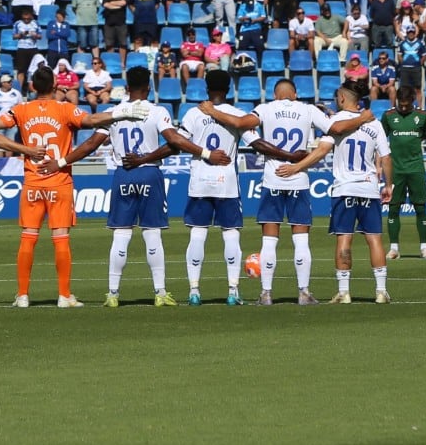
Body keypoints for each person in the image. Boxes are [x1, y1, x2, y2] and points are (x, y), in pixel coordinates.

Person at [195, 77, 368, 304]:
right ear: (295, 95)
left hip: (272, 179)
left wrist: (211, 111)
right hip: (299, 179)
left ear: (275, 95)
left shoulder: (266, 108)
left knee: (269, 239)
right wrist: (363, 117)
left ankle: (266, 293)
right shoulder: (308, 110)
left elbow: (240, 123)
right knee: (301, 240)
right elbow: (336, 128)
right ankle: (304, 292)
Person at [0, 63, 112, 307]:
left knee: (28, 237)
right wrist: (120, 113)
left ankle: (22, 295)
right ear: (55, 85)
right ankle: (64, 295)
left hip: (32, 181)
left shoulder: (21, 109)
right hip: (59, 180)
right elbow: (92, 120)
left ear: (31, 86)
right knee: (60, 237)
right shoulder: (66, 109)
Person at [99, 66, 202, 307]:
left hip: (123, 173)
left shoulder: (113, 111)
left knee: (121, 234)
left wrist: (64, 160)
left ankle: (113, 294)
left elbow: (92, 142)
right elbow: (174, 141)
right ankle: (160, 292)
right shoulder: (157, 111)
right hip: (149, 173)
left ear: (126, 88)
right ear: (148, 87)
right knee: (152, 234)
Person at [282, 82, 392, 303]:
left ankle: (344, 292)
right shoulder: (374, 123)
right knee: (375, 239)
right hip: (369, 187)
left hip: (345, 188)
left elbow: (321, 151)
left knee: (344, 239)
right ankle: (381, 291)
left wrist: (297, 167)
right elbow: (386, 157)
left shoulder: (334, 122)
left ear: (342, 98)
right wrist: (389, 185)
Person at [179, 68, 248, 303]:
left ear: (207, 88)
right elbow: (256, 142)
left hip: (200, 181)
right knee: (230, 235)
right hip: (226, 183)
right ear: (229, 89)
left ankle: (194, 291)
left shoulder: (193, 114)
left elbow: (179, 141)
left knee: (197, 234)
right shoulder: (237, 114)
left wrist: (204, 153)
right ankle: (232, 291)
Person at [381, 84, 426, 260]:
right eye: (401, 104)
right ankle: (394, 248)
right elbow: (380, 141)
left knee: (420, 207)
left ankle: (424, 247)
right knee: (393, 208)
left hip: (416, 168)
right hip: (395, 170)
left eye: (406, 104)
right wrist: (378, 166)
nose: (403, 107)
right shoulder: (389, 116)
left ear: (412, 100)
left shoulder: (421, 115)